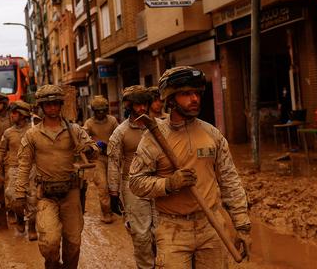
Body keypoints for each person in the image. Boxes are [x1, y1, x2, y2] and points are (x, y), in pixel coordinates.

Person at [129, 66, 251, 268]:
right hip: (172, 230)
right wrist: (169, 183)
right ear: (170, 100)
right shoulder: (153, 138)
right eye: (186, 94)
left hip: (211, 225)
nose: (194, 99)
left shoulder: (212, 135)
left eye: (197, 93)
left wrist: (243, 226)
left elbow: (230, 181)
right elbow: (135, 183)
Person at [14, 85, 98, 269]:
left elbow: (93, 150)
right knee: (49, 242)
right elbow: (24, 165)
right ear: (41, 107)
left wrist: (89, 150)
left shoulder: (74, 130)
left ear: (61, 105)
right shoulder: (32, 134)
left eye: (56, 104)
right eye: (48, 105)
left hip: (71, 193)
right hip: (45, 195)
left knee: (74, 240)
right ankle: (52, 265)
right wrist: (19, 193)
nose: (52, 108)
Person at [108, 85, 155, 269]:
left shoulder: (158, 126)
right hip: (132, 187)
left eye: (144, 103)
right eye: (137, 105)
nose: (142, 108)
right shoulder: (120, 132)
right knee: (141, 234)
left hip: (160, 184)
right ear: (129, 106)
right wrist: (113, 193)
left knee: (161, 232)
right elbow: (113, 163)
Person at [0, 100, 37, 239]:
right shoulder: (8, 133)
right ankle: (20, 218)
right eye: (11, 113)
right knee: (12, 196)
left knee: (32, 199)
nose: (12, 115)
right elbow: (1, 150)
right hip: (14, 168)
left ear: (22, 115)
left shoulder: (34, 131)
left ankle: (33, 227)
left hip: (31, 168)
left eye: (15, 113)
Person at [83, 95, 119, 224]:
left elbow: (119, 136)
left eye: (103, 110)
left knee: (115, 184)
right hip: (97, 159)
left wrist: (109, 145)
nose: (101, 113)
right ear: (94, 111)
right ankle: (106, 212)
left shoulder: (112, 121)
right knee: (103, 186)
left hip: (112, 156)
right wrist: (92, 144)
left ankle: (118, 209)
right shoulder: (89, 123)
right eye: (98, 111)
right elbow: (83, 138)